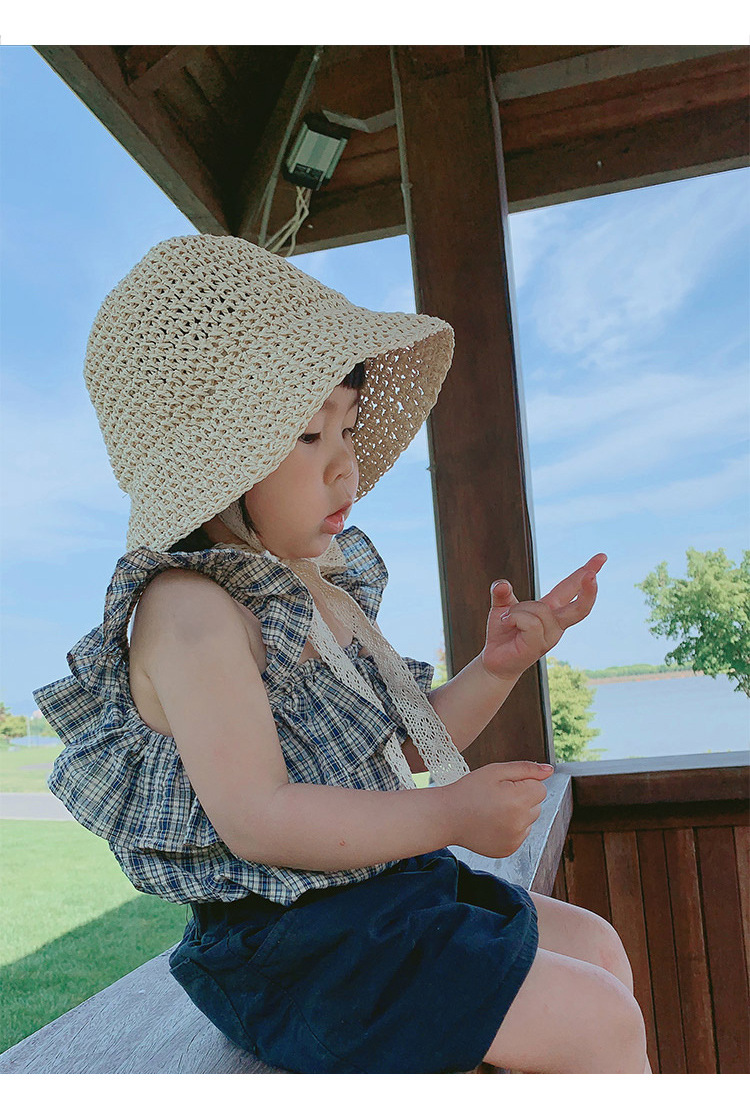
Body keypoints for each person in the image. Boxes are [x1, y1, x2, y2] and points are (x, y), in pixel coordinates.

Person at [35, 234, 649, 1074]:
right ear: (214, 458)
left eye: (349, 429)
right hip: (293, 946)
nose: (345, 468)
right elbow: (259, 818)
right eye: (307, 434)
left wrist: (499, 664)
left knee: (598, 947)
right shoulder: (189, 611)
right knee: (596, 1021)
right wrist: (449, 816)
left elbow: (403, 746)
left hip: (379, 895)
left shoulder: (304, 591)